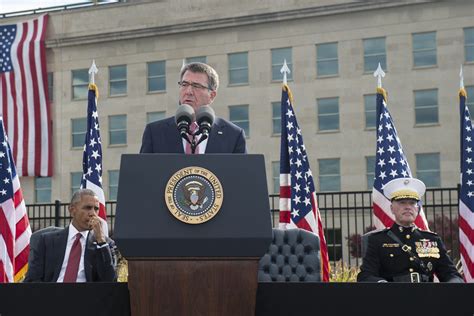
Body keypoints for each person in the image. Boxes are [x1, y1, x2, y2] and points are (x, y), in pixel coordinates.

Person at [357, 177, 463, 283]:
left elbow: (450, 273)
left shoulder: (431, 240)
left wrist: (454, 281)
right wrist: (383, 285)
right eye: (402, 202)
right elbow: (366, 276)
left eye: (412, 203)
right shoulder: (378, 240)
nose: (408, 207)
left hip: (426, 296)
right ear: (392, 208)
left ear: (417, 209)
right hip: (392, 296)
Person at [140, 62, 247, 154]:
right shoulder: (155, 132)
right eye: (184, 84)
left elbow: (241, 176)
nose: (188, 92)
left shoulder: (234, 135)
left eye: (196, 86)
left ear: (212, 95)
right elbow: (143, 175)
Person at [24, 189, 117, 282]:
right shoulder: (47, 241)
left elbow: (110, 282)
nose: (93, 213)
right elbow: (32, 279)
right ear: (72, 210)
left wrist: (101, 240)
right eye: (88, 208)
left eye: (96, 209)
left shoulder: (105, 245)